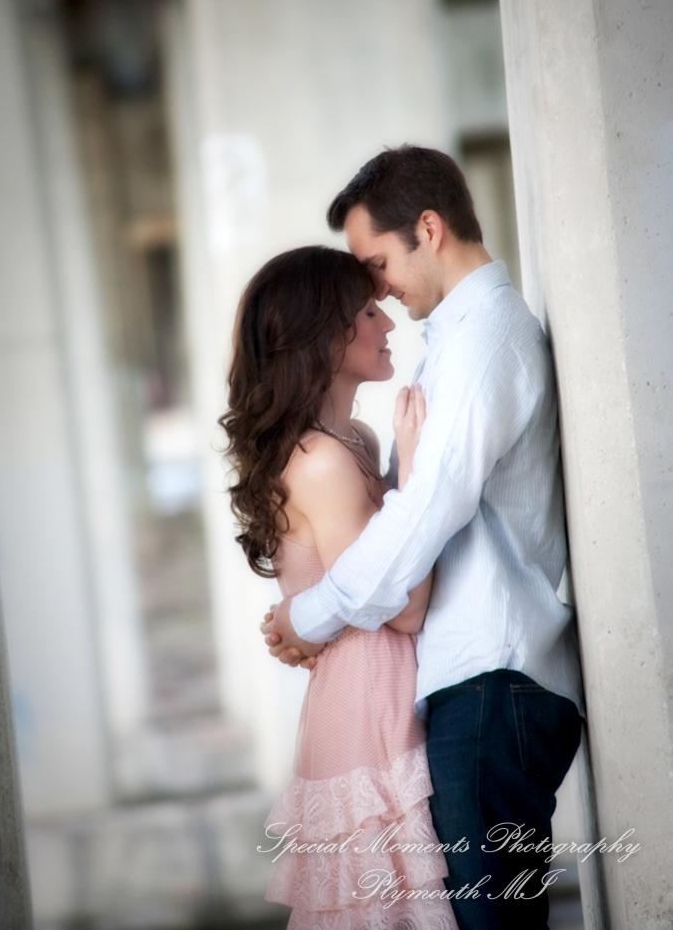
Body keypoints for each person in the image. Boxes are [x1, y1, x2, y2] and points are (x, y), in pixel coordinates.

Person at [263, 146, 585, 930]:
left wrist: (309, 617)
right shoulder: (463, 342)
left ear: (429, 229)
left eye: (378, 262)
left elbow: (418, 522)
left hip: (491, 684)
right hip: (482, 687)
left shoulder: (482, 346)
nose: (376, 287)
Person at [221, 245, 458, 930]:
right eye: (364, 310)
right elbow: (407, 608)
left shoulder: (347, 437)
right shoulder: (322, 460)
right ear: (322, 335)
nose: (385, 322)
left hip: (363, 689)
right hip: (364, 705)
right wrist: (411, 477)